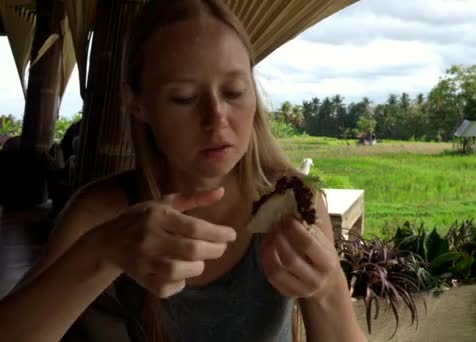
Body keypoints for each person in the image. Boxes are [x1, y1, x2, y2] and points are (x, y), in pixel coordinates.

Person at [0, 0, 366, 341]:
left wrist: (328, 286)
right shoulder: (101, 213)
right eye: (185, 98)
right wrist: (104, 251)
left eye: (235, 91)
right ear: (137, 103)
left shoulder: (291, 202)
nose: (216, 118)